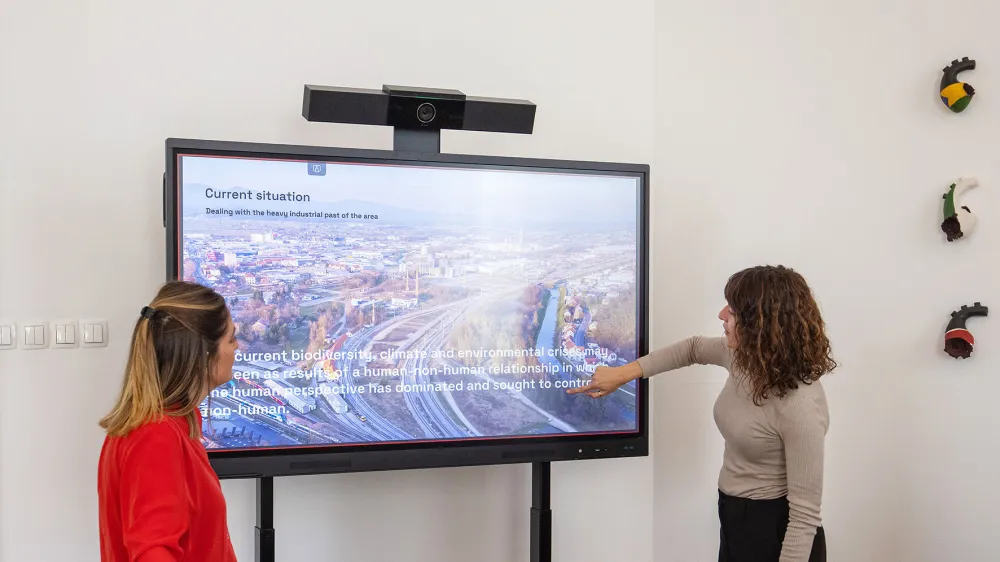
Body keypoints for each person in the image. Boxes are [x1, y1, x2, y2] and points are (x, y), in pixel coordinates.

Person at [570, 265, 833, 562]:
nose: (722, 315)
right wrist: (622, 374)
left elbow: (804, 517)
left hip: (776, 533)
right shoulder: (745, 358)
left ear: (761, 325)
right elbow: (692, 348)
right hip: (735, 518)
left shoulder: (800, 405)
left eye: (732, 311)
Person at [97, 280, 238, 562]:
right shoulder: (155, 435)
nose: (237, 347)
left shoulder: (175, 421)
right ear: (204, 355)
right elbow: (152, 551)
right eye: (231, 339)